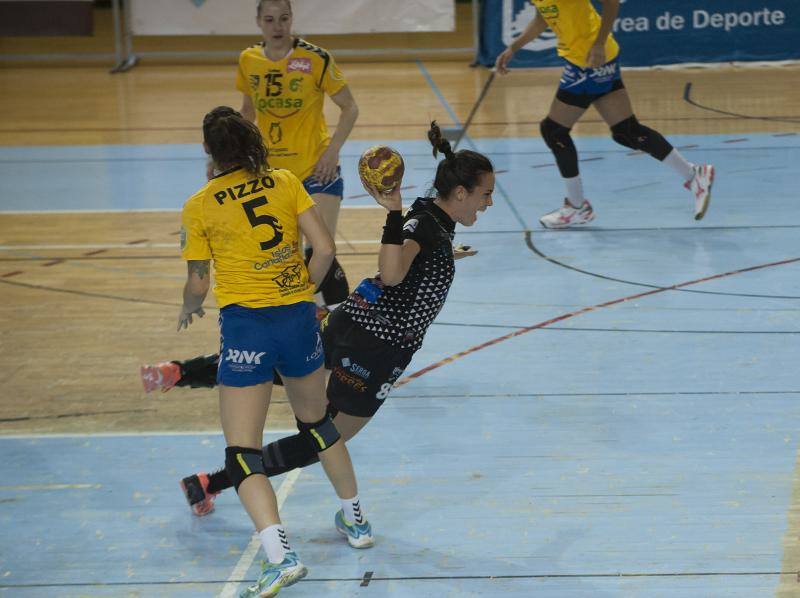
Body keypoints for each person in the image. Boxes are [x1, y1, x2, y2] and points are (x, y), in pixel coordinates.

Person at [144, 122, 494, 532]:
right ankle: (209, 483)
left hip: (356, 318)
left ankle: (180, 372)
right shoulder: (418, 223)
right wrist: (394, 215)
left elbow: (411, 256)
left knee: (279, 371)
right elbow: (393, 271)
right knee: (325, 439)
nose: (487, 204)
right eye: (485, 195)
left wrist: (443, 255)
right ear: (460, 193)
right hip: (379, 345)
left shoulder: (431, 222)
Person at [180, 105, 368, 598]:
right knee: (319, 424)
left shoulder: (200, 204)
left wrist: (188, 304)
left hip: (247, 330)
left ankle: (281, 557)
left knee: (242, 453)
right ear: (250, 142)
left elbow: (199, 284)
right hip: (297, 320)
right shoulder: (284, 180)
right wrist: (303, 295)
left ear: (208, 151)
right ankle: (358, 522)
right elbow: (324, 250)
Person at [495, 0, 715, 229]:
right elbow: (544, 16)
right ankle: (694, 175)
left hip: (589, 60)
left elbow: (611, 3)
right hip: (587, 59)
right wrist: (514, 48)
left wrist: (598, 43)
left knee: (554, 131)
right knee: (626, 131)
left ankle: (577, 207)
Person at [235, 0, 359, 309]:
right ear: (258, 22)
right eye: (270, 19)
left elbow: (350, 107)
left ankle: (338, 319)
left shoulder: (315, 58)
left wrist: (331, 153)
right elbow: (247, 113)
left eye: (284, 18)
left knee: (322, 250)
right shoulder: (249, 59)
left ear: (292, 19)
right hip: (272, 177)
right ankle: (308, 318)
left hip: (317, 169)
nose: (278, 26)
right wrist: (228, 157)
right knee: (285, 256)